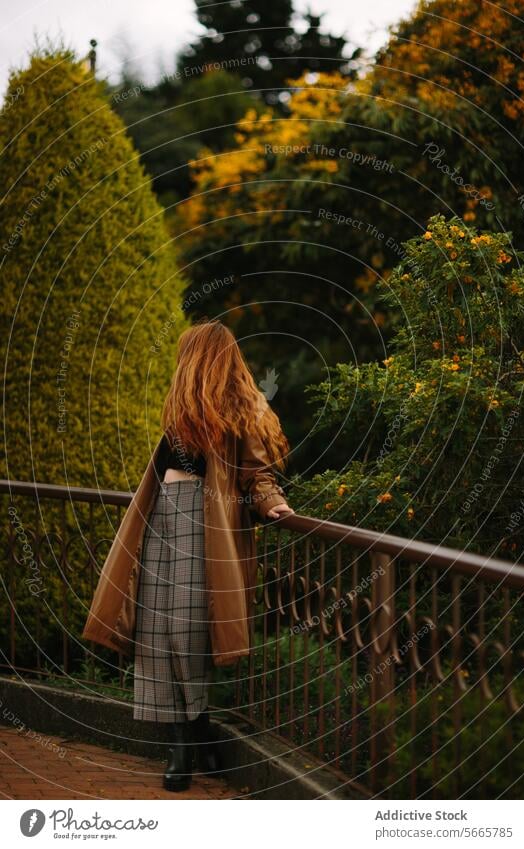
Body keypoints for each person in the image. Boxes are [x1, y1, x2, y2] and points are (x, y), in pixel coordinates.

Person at [131, 318, 294, 791]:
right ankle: (189, 740)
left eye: (189, 353)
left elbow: (258, 474)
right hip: (161, 518)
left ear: (203, 358)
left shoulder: (242, 410)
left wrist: (272, 503)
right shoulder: (182, 412)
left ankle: (189, 744)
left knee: (187, 631)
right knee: (156, 632)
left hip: (204, 526)